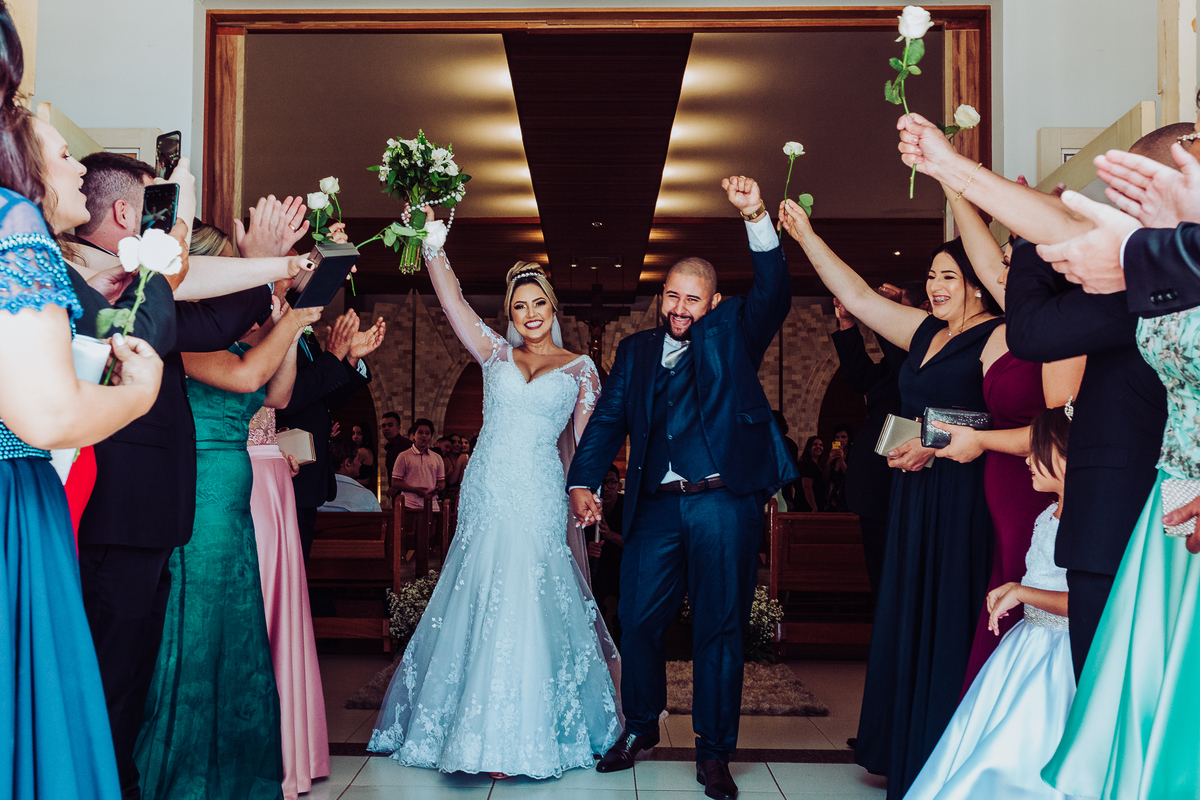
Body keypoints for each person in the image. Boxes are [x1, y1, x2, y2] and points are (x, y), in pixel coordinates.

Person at [897, 115, 1178, 679]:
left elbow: (1034, 316)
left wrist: (1024, 242)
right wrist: (950, 171)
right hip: (1129, 505)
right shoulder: (1158, 268)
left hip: (1130, 506)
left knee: (1123, 680)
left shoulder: (1156, 276)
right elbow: (1045, 240)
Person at [568, 176, 797, 800]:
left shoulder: (735, 334)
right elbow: (608, 418)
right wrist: (582, 479)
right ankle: (640, 726)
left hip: (723, 501)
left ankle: (714, 752)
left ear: (713, 302)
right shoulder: (636, 350)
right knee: (637, 618)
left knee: (718, 629)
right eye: (672, 295)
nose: (679, 308)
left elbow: (774, 290)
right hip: (657, 509)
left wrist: (755, 216)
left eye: (692, 299)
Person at [368, 211, 619, 779]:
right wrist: (432, 243)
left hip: (538, 489)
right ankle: (472, 731)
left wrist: (587, 493)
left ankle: (523, 733)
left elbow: (589, 444)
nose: (530, 314)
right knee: (482, 590)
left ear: (553, 307)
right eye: (519, 306)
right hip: (487, 486)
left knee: (529, 591)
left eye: (538, 303)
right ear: (509, 313)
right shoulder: (494, 354)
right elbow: (453, 302)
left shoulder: (580, 369)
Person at [69, 151, 286, 800]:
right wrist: (185, 230)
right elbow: (188, 317)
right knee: (110, 674)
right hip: (114, 508)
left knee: (130, 674)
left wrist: (280, 267)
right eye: (156, 207)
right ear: (127, 213)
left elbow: (204, 316)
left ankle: (120, 784)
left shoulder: (134, 279)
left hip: (146, 512)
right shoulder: (90, 278)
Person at [779, 199, 1001, 800]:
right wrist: (806, 235)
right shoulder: (925, 331)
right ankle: (904, 742)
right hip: (914, 490)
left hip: (963, 495)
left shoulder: (998, 335)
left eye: (948, 276)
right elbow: (856, 295)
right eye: (930, 276)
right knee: (907, 608)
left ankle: (945, 751)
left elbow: (1007, 416)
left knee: (950, 612)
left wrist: (936, 442)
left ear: (978, 283)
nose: (934, 286)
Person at [0, 15, 166, 792]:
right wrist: (137, 395)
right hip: (13, 502)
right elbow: (48, 416)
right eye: (64, 151)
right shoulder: (14, 226)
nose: (76, 166)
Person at [1036, 123, 1200, 799]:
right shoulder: (1165, 263)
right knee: (1141, 704)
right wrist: (959, 178)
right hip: (1168, 507)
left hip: (1174, 500)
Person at [134, 289, 322, 799]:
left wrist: (290, 332)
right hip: (199, 490)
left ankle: (235, 774)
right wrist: (290, 321)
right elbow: (246, 378)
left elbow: (277, 395)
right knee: (195, 630)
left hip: (237, 506)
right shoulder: (184, 338)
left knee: (235, 635)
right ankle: (180, 772)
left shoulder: (246, 345)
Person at [928, 188, 1083, 692]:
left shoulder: (1064, 330)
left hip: (1035, 482)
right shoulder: (1028, 319)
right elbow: (983, 260)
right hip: (1003, 485)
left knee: (1028, 587)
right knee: (1007, 585)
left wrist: (981, 441)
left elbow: (1061, 429)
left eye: (1012, 262)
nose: (999, 274)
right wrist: (952, 183)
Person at [905, 406, 1073, 800]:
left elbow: (1091, 603)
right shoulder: (1047, 514)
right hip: (1026, 645)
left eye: (1038, 450)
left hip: (1061, 654)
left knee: (1021, 748)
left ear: (1071, 454)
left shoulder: (1087, 523)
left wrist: (1021, 592)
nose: (1028, 460)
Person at [830, 287, 920, 603]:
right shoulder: (893, 366)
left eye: (898, 311)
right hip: (876, 484)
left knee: (908, 575)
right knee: (880, 573)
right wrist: (847, 324)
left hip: (911, 476)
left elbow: (904, 358)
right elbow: (860, 378)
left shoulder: (922, 360)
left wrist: (877, 309)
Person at [278, 307, 385, 560]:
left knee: (299, 565)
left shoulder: (304, 333)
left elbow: (328, 396)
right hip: (288, 465)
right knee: (287, 563)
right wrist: (333, 356)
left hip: (309, 475)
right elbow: (287, 396)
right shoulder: (271, 327)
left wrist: (350, 359)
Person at [586, 464, 626, 647]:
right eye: (602, 483)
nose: (607, 488)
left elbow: (637, 544)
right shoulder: (588, 508)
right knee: (593, 608)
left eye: (611, 483)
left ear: (619, 485)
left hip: (623, 568)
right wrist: (587, 551)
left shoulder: (627, 507)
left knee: (625, 615)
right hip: (597, 569)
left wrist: (611, 536)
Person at [390, 418, 445, 525]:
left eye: (427, 433)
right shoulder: (403, 456)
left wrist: (438, 488)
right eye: (420, 432)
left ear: (431, 436)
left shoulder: (437, 457)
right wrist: (415, 490)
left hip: (432, 504)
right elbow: (395, 482)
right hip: (410, 504)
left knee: (431, 534)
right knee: (409, 533)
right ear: (413, 435)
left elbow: (441, 481)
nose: (424, 436)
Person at [323, 438, 383, 512]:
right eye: (358, 459)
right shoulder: (367, 498)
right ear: (347, 464)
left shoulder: (314, 495)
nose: (360, 464)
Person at [795, 435, 827, 512]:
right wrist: (814, 508)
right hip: (807, 507)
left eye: (821, 445)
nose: (818, 446)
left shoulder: (819, 465)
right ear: (809, 447)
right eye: (815, 444)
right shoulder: (806, 464)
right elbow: (807, 487)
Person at [826, 423, 852, 512]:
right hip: (832, 497)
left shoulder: (852, 455)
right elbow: (825, 479)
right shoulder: (833, 456)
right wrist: (829, 461)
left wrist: (842, 461)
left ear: (849, 438)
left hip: (846, 496)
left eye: (843, 437)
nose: (840, 440)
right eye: (837, 437)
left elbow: (851, 477)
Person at [381, 411, 411, 482]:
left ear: (398, 428)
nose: (386, 428)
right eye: (384, 426)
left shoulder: (405, 445)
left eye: (390, 425)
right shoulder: (389, 446)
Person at [350, 424, 377, 490]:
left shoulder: (362, 451)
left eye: (359, 434)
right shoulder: (369, 450)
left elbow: (349, 468)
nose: (355, 437)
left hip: (358, 487)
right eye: (353, 433)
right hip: (362, 487)